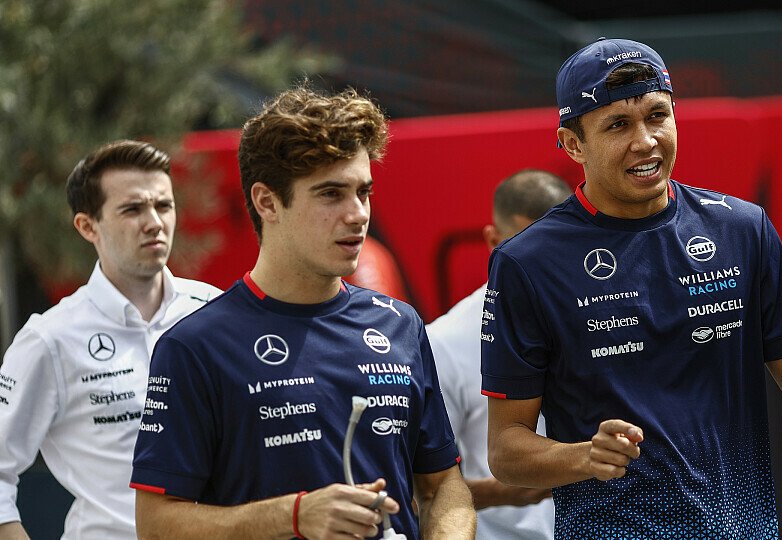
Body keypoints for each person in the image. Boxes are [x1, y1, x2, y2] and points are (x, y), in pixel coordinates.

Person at [481, 38, 782, 539]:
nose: (646, 141)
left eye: (657, 116)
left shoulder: (743, 230)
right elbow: (506, 450)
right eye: (617, 125)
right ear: (573, 144)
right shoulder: (526, 264)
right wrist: (582, 457)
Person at [130, 85, 476, 539]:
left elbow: (442, 487)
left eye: (363, 192)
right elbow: (155, 525)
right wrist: (294, 516)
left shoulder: (400, 325)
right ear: (267, 202)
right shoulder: (194, 347)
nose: (357, 214)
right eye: (331, 194)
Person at [0, 140, 221, 540]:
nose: (154, 222)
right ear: (88, 226)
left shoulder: (215, 310)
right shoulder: (50, 339)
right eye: (133, 209)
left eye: (164, 205)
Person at [427, 169, 571, 539]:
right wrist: (506, 488)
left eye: (560, 247)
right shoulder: (444, 342)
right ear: (493, 241)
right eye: (527, 246)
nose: (544, 265)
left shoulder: (605, 317)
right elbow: (423, 488)